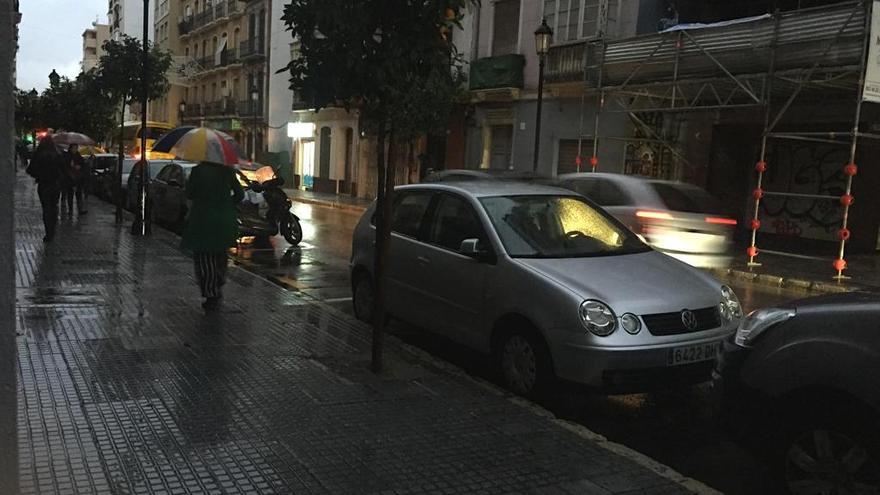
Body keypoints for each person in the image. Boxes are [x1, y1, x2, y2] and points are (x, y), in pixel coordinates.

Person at [181, 161, 244, 311]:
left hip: (203, 219)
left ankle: (211, 293)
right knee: (220, 254)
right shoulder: (228, 171)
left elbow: (189, 193)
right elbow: (240, 194)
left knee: (204, 257)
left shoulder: (198, 171)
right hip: (225, 220)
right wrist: (226, 203)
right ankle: (219, 282)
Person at [25, 136, 64, 242]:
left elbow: (30, 170)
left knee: (46, 208)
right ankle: (53, 229)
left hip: (44, 185)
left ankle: (48, 232)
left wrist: (39, 175)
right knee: (54, 206)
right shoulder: (57, 154)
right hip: (55, 184)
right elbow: (63, 169)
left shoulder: (39, 154)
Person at [62, 144, 88, 215]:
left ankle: (80, 209)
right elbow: (64, 167)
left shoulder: (78, 156)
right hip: (69, 178)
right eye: (73, 148)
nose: (75, 150)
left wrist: (79, 167)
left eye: (76, 148)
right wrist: (70, 166)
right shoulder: (67, 156)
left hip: (78, 178)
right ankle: (70, 210)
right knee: (70, 195)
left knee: (79, 194)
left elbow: (83, 165)